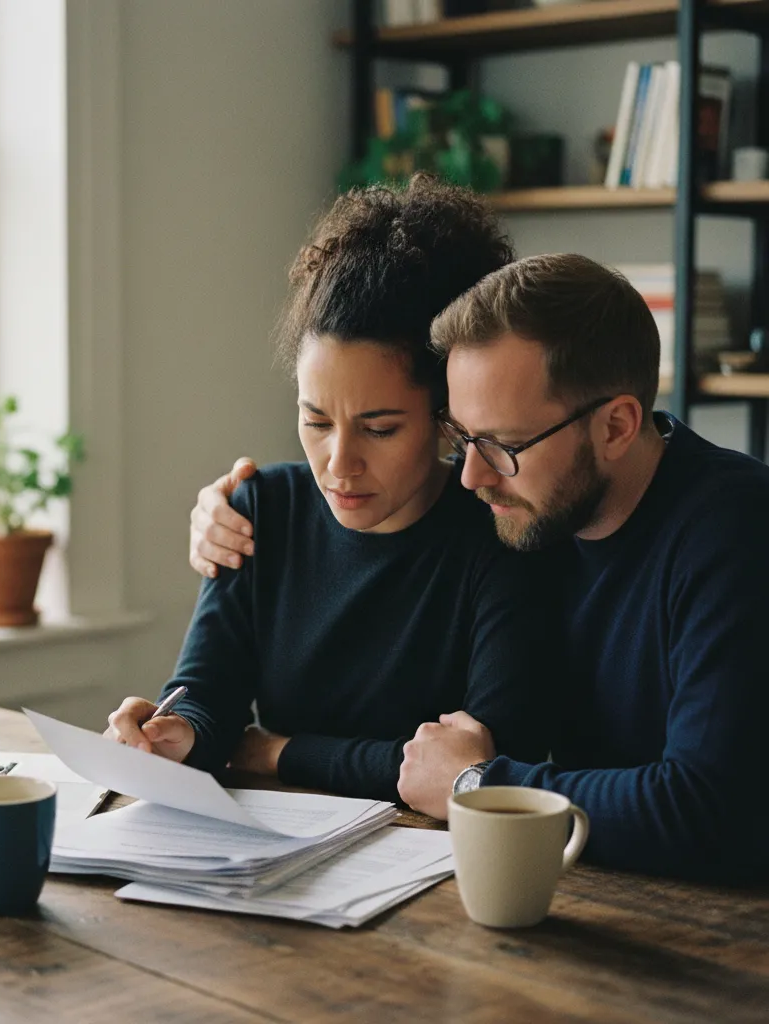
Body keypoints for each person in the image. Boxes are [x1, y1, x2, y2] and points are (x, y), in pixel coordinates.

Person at [191, 252, 769, 883]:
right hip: (601, 896)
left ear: (616, 427)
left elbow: (705, 809)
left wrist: (476, 783)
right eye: (462, 438)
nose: (471, 475)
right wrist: (222, 512)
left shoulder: (735, 527)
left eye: (501, 445)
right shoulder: (544, 515)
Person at [105, 175, 554, 803]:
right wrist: (177, 734)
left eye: (380, 428)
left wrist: (274, 750)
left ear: (446, 417)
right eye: (316, 421)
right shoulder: (261, 509)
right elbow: (208, 696)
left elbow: (487, 767)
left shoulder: (499, 539)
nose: (339, 464)